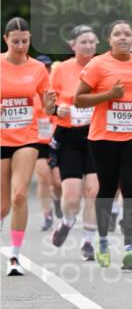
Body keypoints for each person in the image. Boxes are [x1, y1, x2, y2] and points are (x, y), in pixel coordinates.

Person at [74, 20, 132, 270]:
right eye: (117, 34)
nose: (123, 38)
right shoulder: (98, 64)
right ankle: (104, 242)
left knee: (131, 189)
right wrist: (108, 96)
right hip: (104, 137)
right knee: (107, 189)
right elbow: (79, 100)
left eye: (127, 34)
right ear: (108, 39)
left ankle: (129, 247)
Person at [1, 17, 56, 275]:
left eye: (25, 41)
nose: (21, 46)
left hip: (27, 136)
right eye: (15, 42)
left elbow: (48, 108)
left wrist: (51, 103)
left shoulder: (37, 68)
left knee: (19, 194)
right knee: (2, 205)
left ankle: (14, 255)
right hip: (1, 137)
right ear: (6, 40)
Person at [49, 25, 100, 260]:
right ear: (72, 45)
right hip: (69, 136)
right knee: (71, 195)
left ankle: (88, 242)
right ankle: (67, 222)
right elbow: (48, 103)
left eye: (92, 42)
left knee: (93, 190)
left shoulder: (103, 66)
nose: (88, 46)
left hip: (96, 135)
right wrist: (58, 110)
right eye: (83, 42)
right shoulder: (61, 70)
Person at [33, 54, 61, 231]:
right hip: (37, 141)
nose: (46, 70)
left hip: (56, 140)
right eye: (42, 68)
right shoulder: (29, 90)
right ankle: (47, 213)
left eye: (48, 67)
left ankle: (57, 201)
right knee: (43, 179)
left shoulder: (55, 89)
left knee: (57, 182)